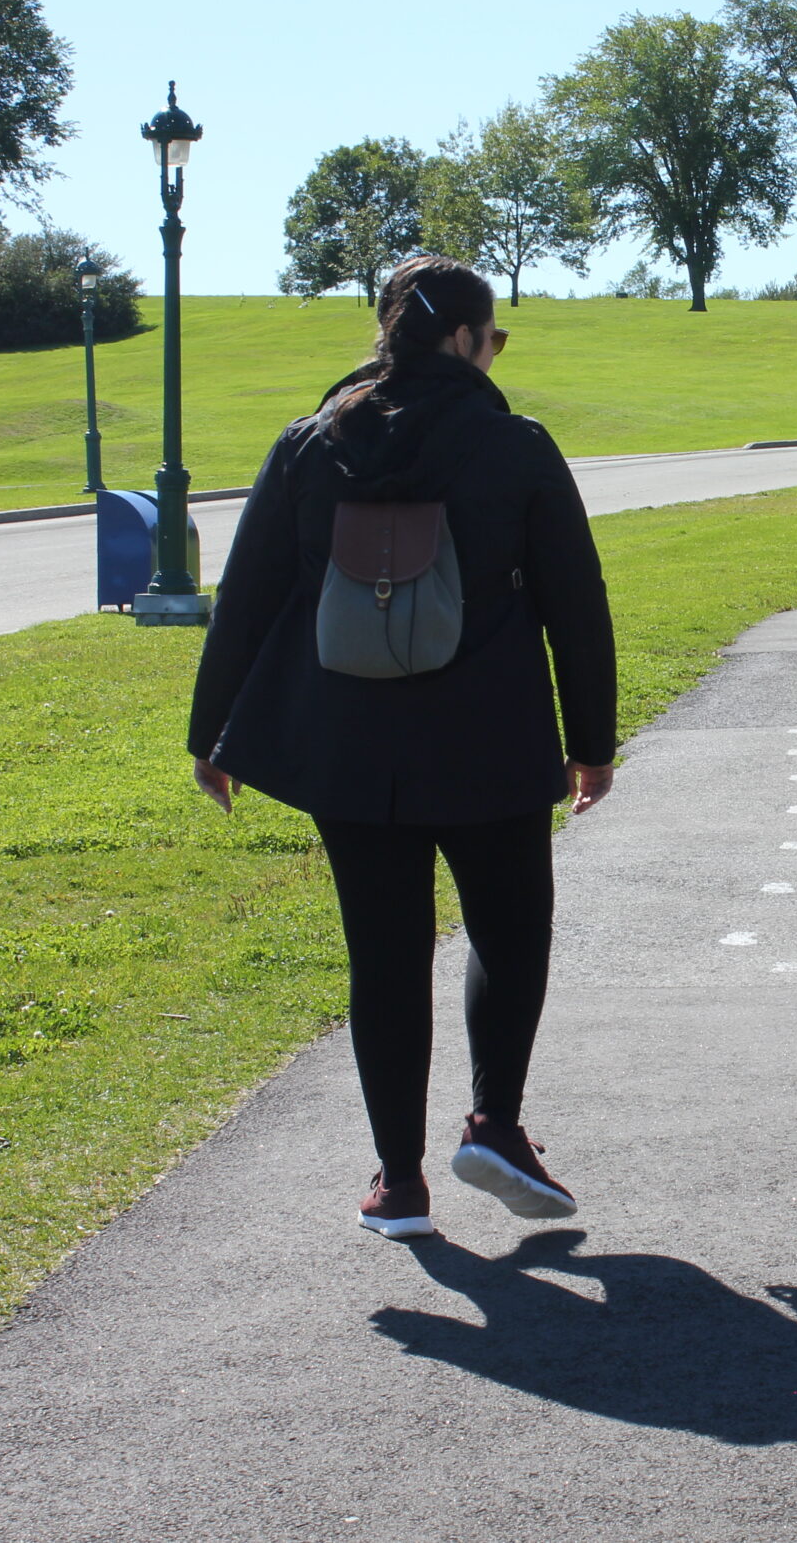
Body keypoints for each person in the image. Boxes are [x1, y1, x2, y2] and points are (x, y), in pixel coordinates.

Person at [186, 256, 617, 1242]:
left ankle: (396, 1183)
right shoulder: (515, 447)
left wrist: (214, 736)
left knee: (381, 953)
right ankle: (495, 1126)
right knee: (509, 935)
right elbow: (575, 606)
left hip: (349, 745)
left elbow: (248, 596)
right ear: (464, 339)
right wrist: (589, 742)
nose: (494, 353)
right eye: (493, 337)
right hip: (491, 741)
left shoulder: (309, 444)